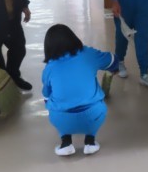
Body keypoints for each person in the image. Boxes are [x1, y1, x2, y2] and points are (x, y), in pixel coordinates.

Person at [42, 24, 119, 156]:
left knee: (53, 106)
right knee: (99, 107)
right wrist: (113, 68)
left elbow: (46, 97)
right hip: (93, 115)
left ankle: (65, 142)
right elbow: (112, 60)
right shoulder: (88, 54)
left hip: (61, 119)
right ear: (73, 38)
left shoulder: (49, 68)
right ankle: (90, 142)